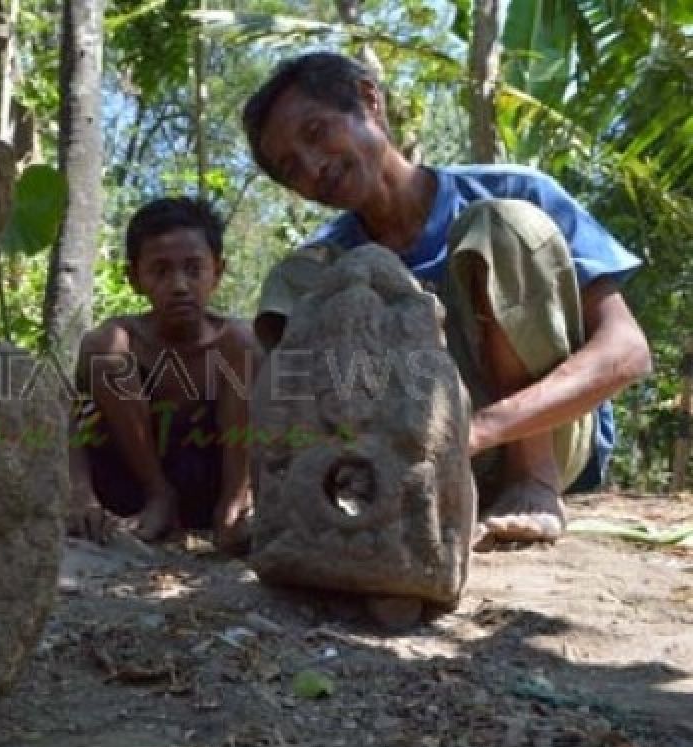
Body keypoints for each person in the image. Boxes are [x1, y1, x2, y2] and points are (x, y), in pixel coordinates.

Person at [241, 51, 652, 548]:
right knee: (300, 276)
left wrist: (473, 431)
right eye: (292, 167)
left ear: (370, 101)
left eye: (316, 132)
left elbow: (627, 351)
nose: (314, 167)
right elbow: (288, 388)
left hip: (536, 436)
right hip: (405, 463)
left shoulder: (517, 190)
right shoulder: (325, 260)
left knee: (503, 224)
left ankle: (531, 481)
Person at [69, 197, 259, 546]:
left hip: (208, 485)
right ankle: (159, 497)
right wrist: (80, 493)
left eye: (193, 269)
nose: (179, 286)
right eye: (160, 271)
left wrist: (236, 500)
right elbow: (73, 424)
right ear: (134, 278)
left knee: (247, 348)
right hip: (128, 492)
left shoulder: (236, 343)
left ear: (217, 272)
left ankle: (231, 512)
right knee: (105, 351)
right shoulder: (117, 340)